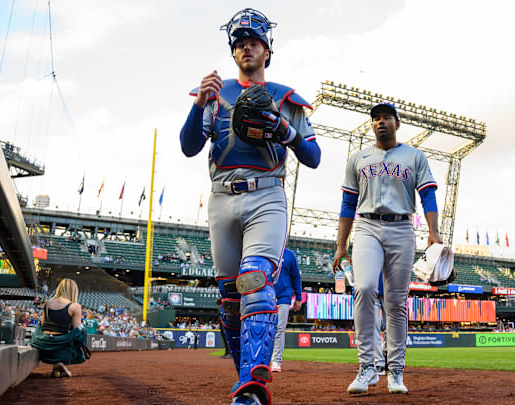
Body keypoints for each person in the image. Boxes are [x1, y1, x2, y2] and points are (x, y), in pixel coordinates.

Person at [179, 8, 320, 405]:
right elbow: (189, 146)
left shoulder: (285, 97)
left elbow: (313, 157)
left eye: (253, 42)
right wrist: (198, 105)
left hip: (266, 194)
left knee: (255, 279)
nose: (246, 48)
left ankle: (252, 388)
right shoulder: (215, 92)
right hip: (222, 195)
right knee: (229, 296)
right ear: (233, 51)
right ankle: (246, 378)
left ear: (267, 50)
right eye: (240, 43)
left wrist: (286, 130)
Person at [333, 102, 441, 395]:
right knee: (365, 288)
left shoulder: (414, 156)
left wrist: (434, 232)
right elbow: (347, 204)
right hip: (366, 226)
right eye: (375, 119)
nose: (380, 122)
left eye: (385, 118)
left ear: (397, 122)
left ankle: (395, 370)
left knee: (396, 301)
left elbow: (428, 195)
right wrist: (341, 245)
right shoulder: (358, 158)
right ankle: (367, 366)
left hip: (402, 228)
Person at [30, 278, 90, 378]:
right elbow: (77, 332)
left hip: (44, 347)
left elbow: (43, 325)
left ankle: (57, 366)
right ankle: (61, 363)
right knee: (82, 330)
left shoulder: (47, 303)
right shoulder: (75, 306)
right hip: (62, 349)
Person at [270, 248, 302, 372]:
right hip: (265, 296)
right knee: (264, 329)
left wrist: (298, 297)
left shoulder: (289, 254)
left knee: (279, 329)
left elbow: (296, 277)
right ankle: (261, 360)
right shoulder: (265, 250)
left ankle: (276, 361)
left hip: (283, 296)